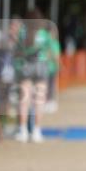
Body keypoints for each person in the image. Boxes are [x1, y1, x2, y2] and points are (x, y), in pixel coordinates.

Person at [13, 9, 56, 143]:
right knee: (39, 100)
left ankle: (23, 130)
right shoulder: (44, 33)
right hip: (41, 65)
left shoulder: (23, 32)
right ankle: (37, 131)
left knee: (24, 100)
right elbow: (52, 51)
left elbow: (18, 49)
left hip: (26, 65)